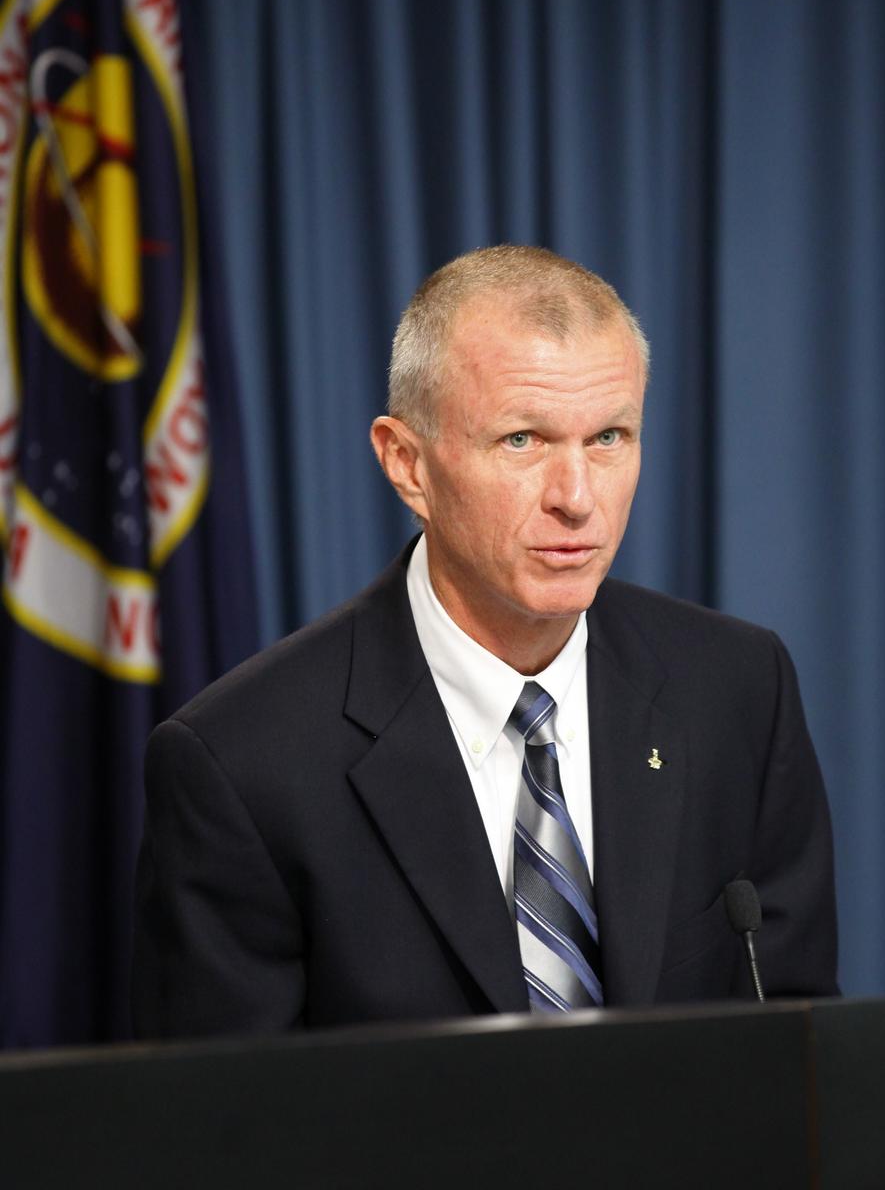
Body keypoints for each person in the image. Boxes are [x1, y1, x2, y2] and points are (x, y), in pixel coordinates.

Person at [132, 245, 838, 1036]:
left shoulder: (739, 691)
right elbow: (223, 1135)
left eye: (608, 437)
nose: (577, 499)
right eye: (522, 441)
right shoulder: (242, 764)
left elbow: (800, 1057)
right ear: (407, 464)